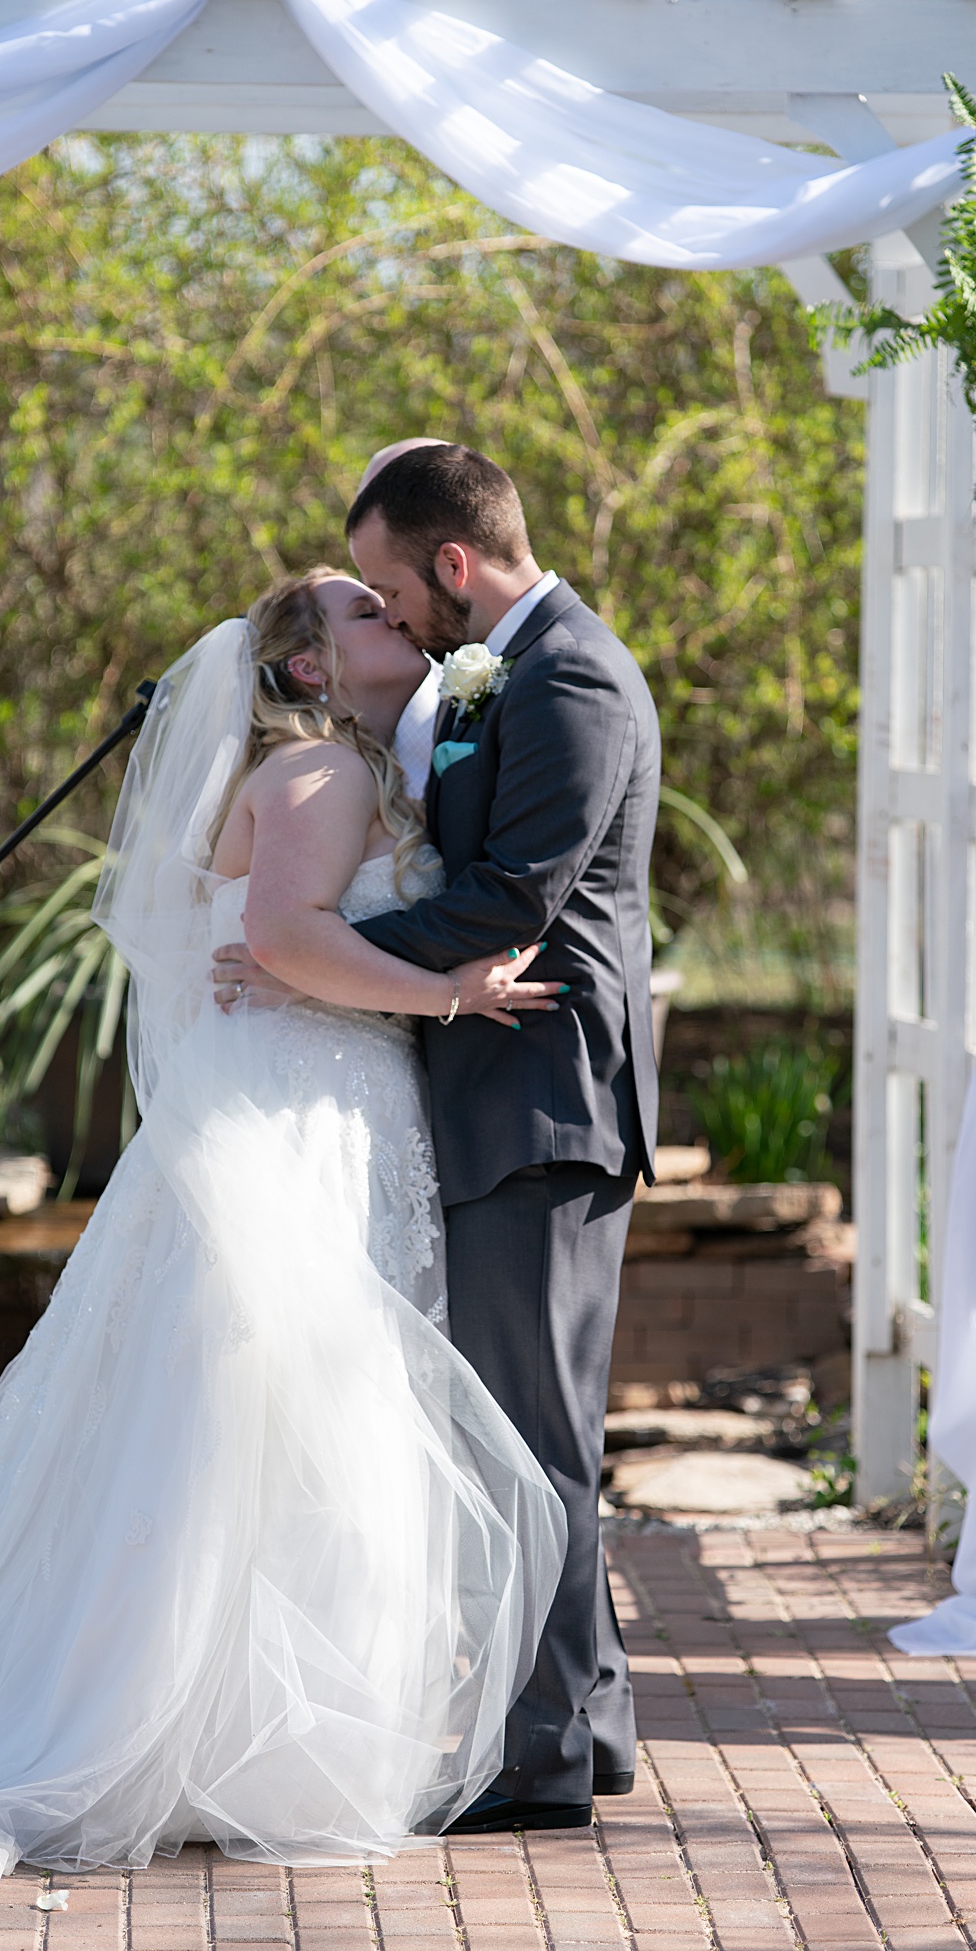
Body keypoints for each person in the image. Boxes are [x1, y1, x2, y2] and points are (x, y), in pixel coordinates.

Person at [0, 569, 565, 1892]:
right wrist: (447, 995)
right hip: (295, 1115)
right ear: (307, 671)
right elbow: (282, 937)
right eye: (364, 613)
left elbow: (277, 933)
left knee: (238, 1420)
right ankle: (233, 1736)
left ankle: (228, 1720)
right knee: (284, 1417)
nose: (397, 616)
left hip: (284, 1097)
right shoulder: (324, 779)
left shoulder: (343, 770)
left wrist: (344, 957)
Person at [217, 445, 662, 1833]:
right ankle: (587, 1725)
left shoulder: (570, 676)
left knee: (536, 1444)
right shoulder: (500, 674)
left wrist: (310, 956)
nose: (398, 620)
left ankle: (541, 1760)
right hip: (494, 1096)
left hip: (539, 1095)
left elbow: (509, 896)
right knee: (534, 1437)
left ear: (454, 566)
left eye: (399, 593)